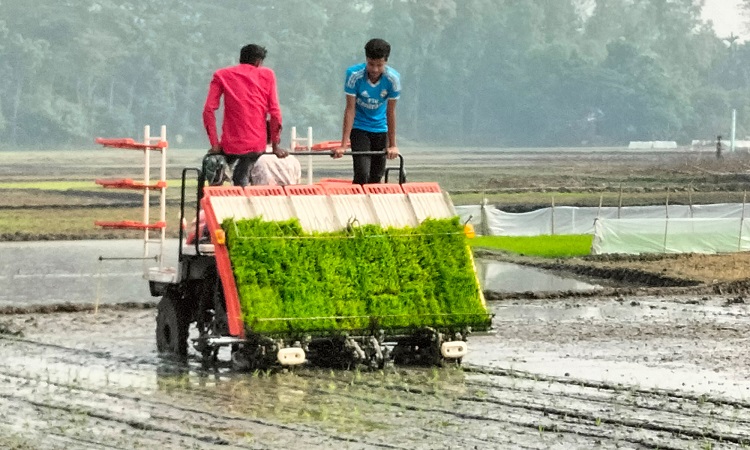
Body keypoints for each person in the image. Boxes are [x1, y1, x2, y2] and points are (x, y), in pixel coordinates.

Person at [203, 44, 288, 187]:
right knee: (243, 173)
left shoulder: (222, 75)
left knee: (213, 168)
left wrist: (214, 144)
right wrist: (275, 145)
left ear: (241, 58)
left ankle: (214, 190)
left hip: (229, 144)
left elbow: (208, 110)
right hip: (256, 144)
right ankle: (241, 192)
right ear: (258, 62)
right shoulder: (267, 75)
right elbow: (275, 113)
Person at [333, 38, 401, 184]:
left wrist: (393, 144)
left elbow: (391, 112)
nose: (375, 70)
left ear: (386, 62)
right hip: (360, 127)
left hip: (380, 129)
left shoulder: (393, 80)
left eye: (379, 65)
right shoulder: (354, 75)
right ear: (366, 60)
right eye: (371, 64)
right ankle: (356, 200)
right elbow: (350, 110)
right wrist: (343, 145)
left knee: (376, 176)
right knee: (362, 173)